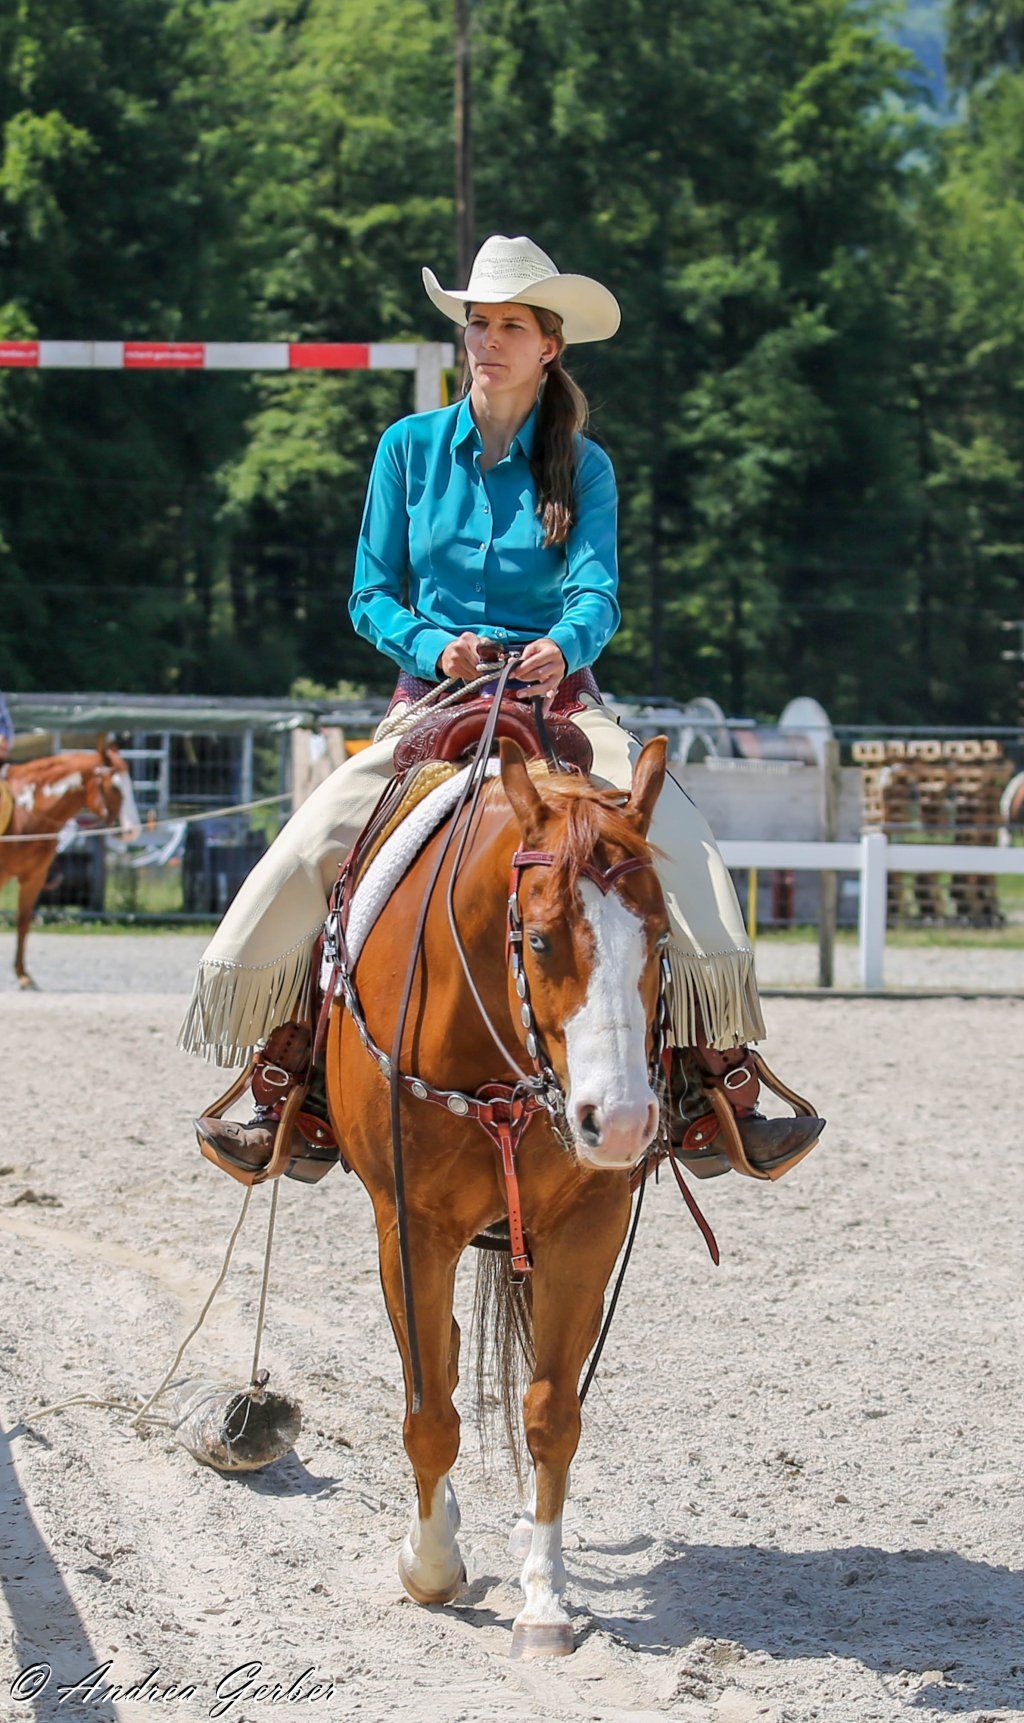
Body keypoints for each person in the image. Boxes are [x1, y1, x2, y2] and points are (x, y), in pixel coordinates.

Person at [186, 234, 823, 1180]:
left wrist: (559, 647)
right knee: (315, 841)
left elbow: (597, 593)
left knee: (681, 844)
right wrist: (436, 646)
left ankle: (717, 1079)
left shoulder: (586, 467)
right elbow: (370, 594)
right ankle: (290, 1078)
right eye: (477, 323)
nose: (487, 339)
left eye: (509, 325)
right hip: (432, 695)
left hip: (558, 698)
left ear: (549, 345)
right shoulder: (406, 450)